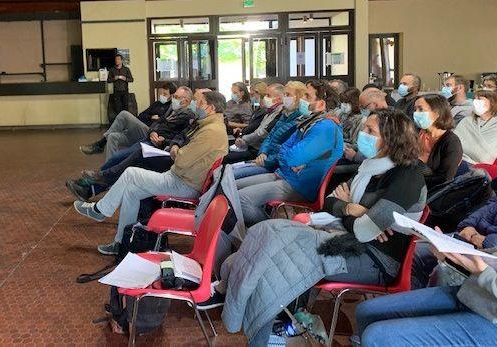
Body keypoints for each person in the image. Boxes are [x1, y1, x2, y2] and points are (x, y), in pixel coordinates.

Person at [209, 109, 427, 346]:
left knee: (280, 260)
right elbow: (330, 202)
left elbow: (364, 231)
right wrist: (350, 209)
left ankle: (273, 332)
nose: (362, 134)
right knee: (266, 233)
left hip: (376, 259)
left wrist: (351, 210)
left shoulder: (408, 177)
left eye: (370, 131)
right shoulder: (370, 167)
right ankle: (277, 318)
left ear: (391, 138)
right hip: (346, 237)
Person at [73, 91, 229, 255]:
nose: (196, 105)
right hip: (181, 177)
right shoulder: (206, 125)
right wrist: (176, 148)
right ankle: (120, 243)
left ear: (210, 108)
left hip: (184, 183)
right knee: (131, 192)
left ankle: (101, 210)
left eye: (200, 102)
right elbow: (181, 144)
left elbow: (182, 159)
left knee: (130, 173)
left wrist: (176, 150)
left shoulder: (212, 131)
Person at [235, 80, 343, 227]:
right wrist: (291, 156)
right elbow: (285, 150)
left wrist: (291, 156)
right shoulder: (309, 121)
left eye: (307, 97)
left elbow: (292, 157)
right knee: (234, 187)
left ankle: (274, 229)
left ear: (321, 104)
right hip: (285, 174)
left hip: (299, 185)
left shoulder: (326, 127)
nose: (302, 101)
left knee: (241, 199)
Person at [66, 87, 199, 201]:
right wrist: (152, 131)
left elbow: (179, 138)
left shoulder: (187, 116)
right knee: (115, 154)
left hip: (157, 147)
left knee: (120, 161)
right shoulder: (172, 108)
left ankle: (88, 186)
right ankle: (89, 187)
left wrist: (163, 140)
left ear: (185, 101)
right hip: (149, 138)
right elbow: (156, 123)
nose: (172, 98)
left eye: (175, 96)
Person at [357, 252, 497, 346]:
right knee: (366, 311)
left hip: (491, 320)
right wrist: (452, 257)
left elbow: (485, 271)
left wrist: (485, 273)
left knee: (377, 337)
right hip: (475, 292)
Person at [81, 86, 192, 160]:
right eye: (161, 93)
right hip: (148, 129)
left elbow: (170, 130)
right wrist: (151, 119)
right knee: (112, 137)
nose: (164, 96)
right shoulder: (158, 105)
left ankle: (101, 143)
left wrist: (154, 129)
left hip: (150, 133)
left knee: (124, 114)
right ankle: (107, 171)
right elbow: (143, 116)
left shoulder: (175, 109)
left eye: (167, 94)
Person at [412, 197, 497, 289]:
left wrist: (487, 241)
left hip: (489, 252)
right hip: (470, 236)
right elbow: (491, 203)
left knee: (439, 265)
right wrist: (468, 225)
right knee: (416, 251)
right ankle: (415, 292)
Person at [233, 81, 305, 180]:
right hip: (265, 157)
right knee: (231, 171)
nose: (284, 97)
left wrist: (266, 160)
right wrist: (263, 152)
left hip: (275, 165)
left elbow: (286, 149)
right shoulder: (285, 114)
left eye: (287, 94)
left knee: (233, 176)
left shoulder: (300, 120)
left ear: (299, 98)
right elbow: (270, 137)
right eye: (284, 94)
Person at [225, 84, 286, 164]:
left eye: (268, 95)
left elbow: (262, 133)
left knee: (225, 158)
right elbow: (259, 129)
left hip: (258, 149)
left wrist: (244, 139)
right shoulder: (270, 111)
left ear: (279, 98)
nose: (265, 98)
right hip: (253, 145)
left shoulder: (278, 113)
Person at [413, 94, 463, 191]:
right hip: (413, 183)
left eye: (421, 109)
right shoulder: (417, 132)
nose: (416, 113)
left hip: (431, 190)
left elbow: (445, 180)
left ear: (437, 113)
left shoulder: (451, 142)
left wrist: (414, 179)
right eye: (415, 109)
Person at [455, 90, 497, 168]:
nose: (475, 102)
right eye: (475, 99)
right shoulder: (466, 121)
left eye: (480, 99)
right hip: (457, 160)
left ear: (492, 103)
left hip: (480, 167)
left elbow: (485, 156)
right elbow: (453, 145)